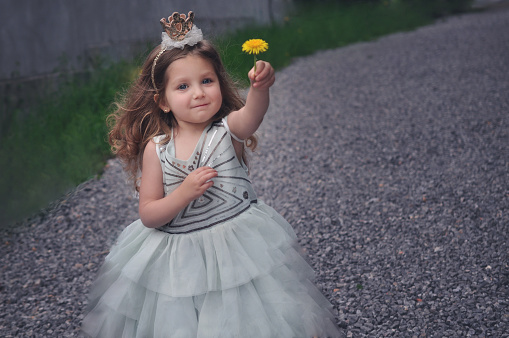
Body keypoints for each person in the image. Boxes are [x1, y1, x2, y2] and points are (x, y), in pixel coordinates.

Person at [82, 11, 343, 338]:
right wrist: (182, 194)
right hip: (179, 257)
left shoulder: (226, 129)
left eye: (207, 81)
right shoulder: (157, 149)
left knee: (242, 314)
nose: (198, 92)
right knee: (186, 319)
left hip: (235, 246)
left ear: (219, 81)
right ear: (162, 101)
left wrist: (259, 89)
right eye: (183, 86)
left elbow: (251, 117)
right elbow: (149, 213)